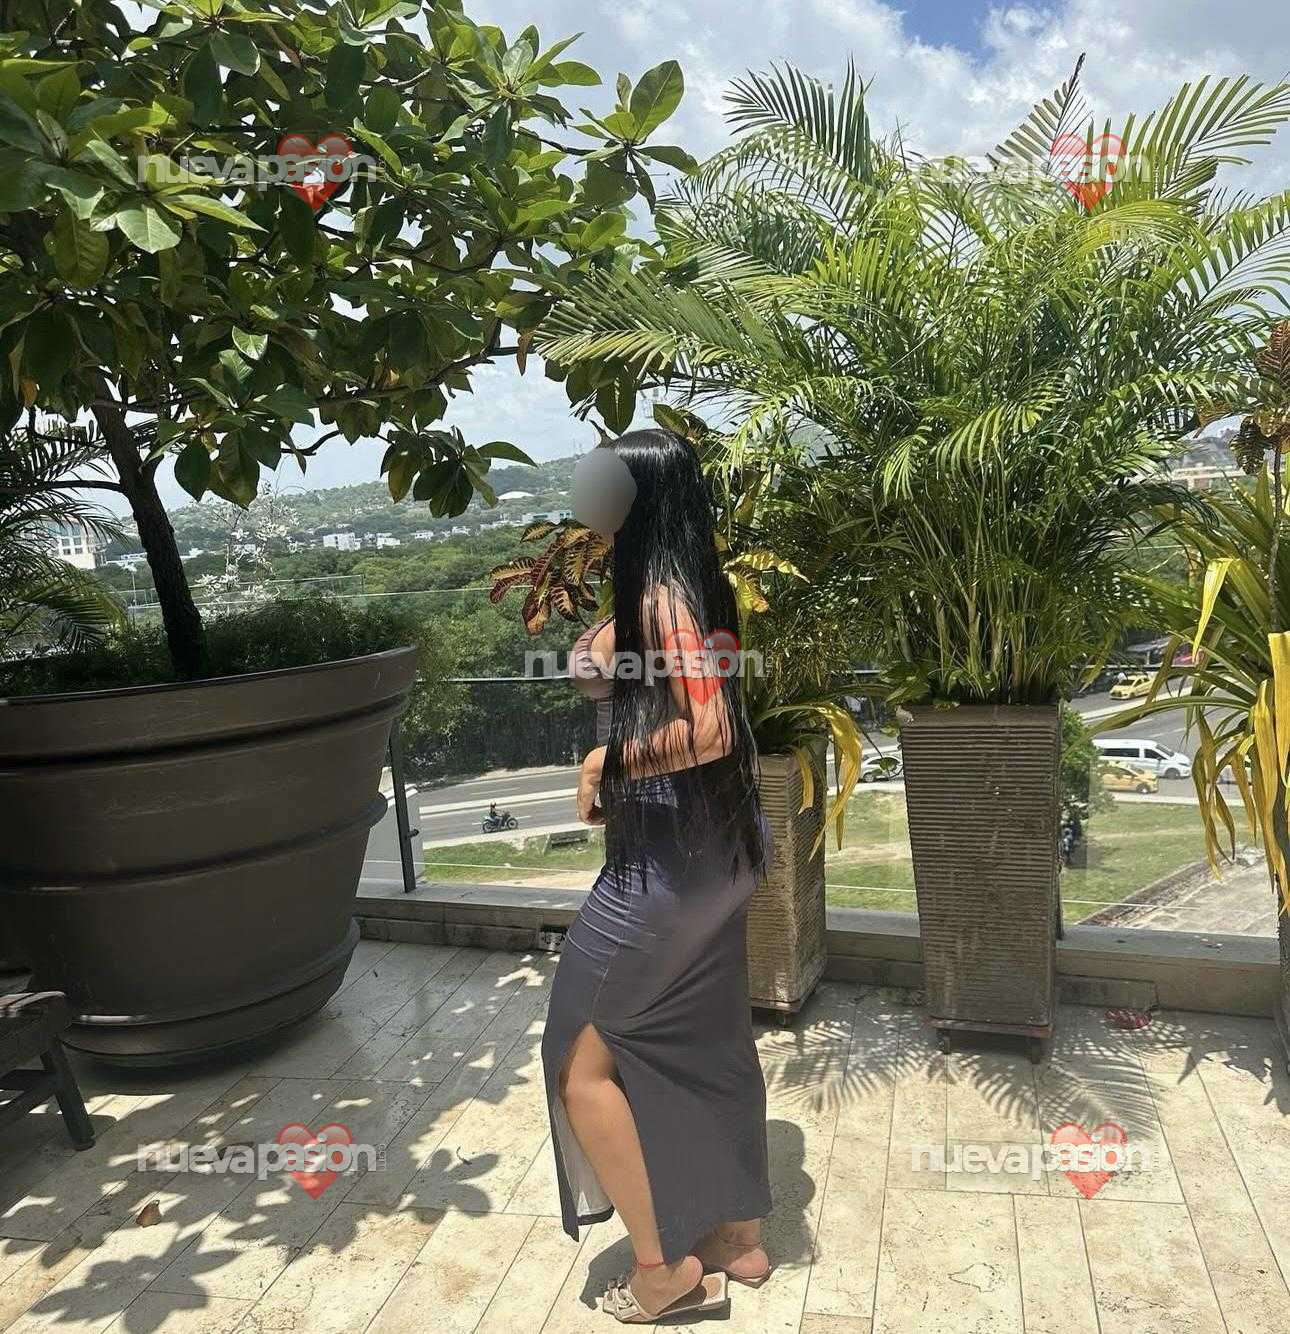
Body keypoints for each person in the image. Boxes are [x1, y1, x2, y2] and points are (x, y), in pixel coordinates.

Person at [542, 429, 773, 1325]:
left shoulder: (665, 595)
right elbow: (622, 677)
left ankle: (662, 1274)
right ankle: (737, 1236)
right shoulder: (685, 581)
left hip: (668, 862)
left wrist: (607, 762)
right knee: (706, 1039)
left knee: (580, 1061)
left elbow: (710, 730)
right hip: (716, 850)